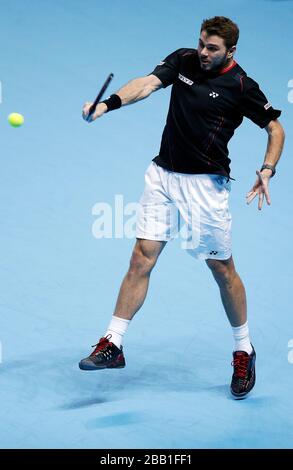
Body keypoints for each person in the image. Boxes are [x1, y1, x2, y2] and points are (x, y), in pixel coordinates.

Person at [80, 16, 285, 398]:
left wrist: (268, 169)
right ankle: (114, 342)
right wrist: (108, 105)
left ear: (231, 51)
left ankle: (243, 348)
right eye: (202, 44)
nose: (203, 53)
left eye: (213, 49)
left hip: (206, 187)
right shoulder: (184, 60)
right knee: (141, 257)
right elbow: (146, 84)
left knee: (222, 270)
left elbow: (276, 128)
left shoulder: (242, 86)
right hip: (162, 175)